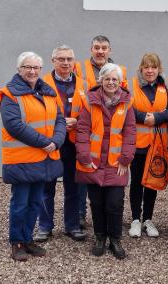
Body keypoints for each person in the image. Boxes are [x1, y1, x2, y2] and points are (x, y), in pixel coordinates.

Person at [0, 51, 66, 261]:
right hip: (22, 159)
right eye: (28, 67)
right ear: (19, 69)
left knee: (36, 202)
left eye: (36, 67)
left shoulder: (48, 92)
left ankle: (28, 239)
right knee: (20, 202)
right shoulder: (9, 94)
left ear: (40, 70)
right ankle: (16, 241)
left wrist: (57, 141)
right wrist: (46, 143)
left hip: (44, 158)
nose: (32, 71)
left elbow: (60, 119)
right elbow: (14, 125)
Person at [75, 63, 136, 259]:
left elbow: (130, 132)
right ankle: (100, 237)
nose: (111, 82)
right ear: (101, 80)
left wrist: (126, 158)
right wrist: (84, 157)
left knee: (115, 203)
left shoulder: (127, 103)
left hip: (116, 163)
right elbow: (82, 130)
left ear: (120, 82)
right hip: (92, 162)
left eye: (114, 79)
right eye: (107, 79)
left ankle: (115, 240)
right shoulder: (89, 101)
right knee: (97, 203)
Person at [33, 45, 87, 242]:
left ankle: (72, 226)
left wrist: (78, 121)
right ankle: (45, 226)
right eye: (61, 59)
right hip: (51, 143)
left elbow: (90, 114)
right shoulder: (41, 83)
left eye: (69, 59)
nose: (66, 63)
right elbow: (37, 112)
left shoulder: (84, 84)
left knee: (73, 187)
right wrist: (62, 122)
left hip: (74, 143)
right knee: (47, 186)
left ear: (74, 61)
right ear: (53, 60)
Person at [74, 35, 128, 226]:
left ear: (109, 50)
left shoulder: (120, 72)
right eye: (96, 47)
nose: (100, 51)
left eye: (104, 47)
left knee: (112, 197)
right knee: (86, 184)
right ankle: (80, 216)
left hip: (112, 149)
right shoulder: (79, 68)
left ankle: (112, 229)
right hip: (89, 137)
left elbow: (124, 110)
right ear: (91, 49)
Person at [129, 53, 168, 238]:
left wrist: (156, 117)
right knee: (137, 182)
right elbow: (127, 108)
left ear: (159, 69)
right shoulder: (131, 85)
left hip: (158, 144)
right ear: (141, 68)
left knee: (152, 182)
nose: (150, 70)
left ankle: (148, 219)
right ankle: (135, 219)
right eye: (146, 67)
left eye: (154, 67)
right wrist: (143, 117)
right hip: (138, 145)